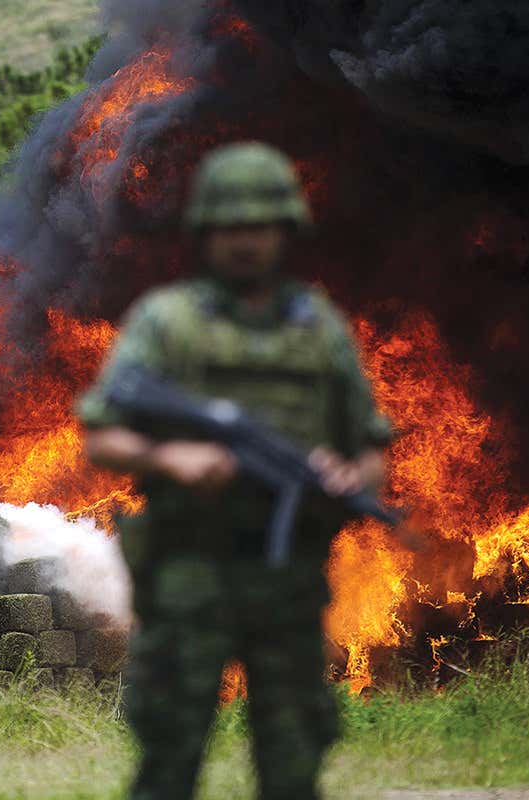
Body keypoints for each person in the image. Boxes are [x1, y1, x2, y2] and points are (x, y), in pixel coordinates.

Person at [75, 142, 393, 800]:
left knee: (293, 764)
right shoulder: (166, 324)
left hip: (288, 580)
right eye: (231, 226)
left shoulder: (321, 330)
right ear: (205, 231)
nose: (246, 241)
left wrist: (348, 475)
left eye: (260, 225)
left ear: (286, 230)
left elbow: (370, 448)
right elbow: (101, 435)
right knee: (169, 760)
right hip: (190, 572)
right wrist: (168, 457)